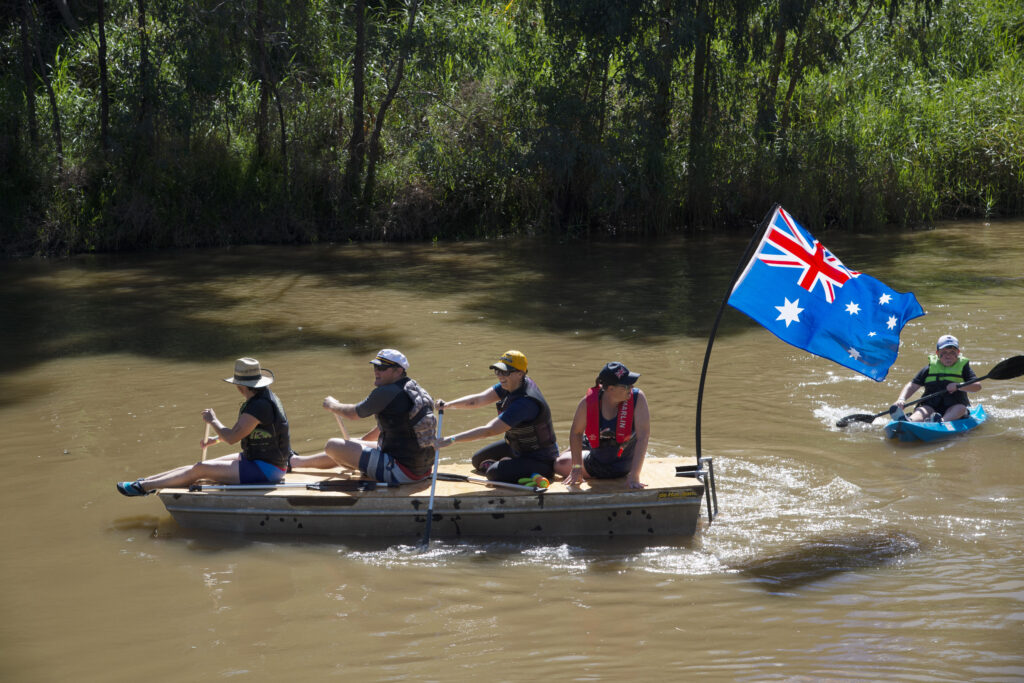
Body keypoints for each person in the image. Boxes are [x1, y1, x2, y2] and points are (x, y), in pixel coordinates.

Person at [116, 357, 292, 496]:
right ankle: (147, 482)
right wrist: (215, 440)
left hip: (268, 470)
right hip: (260, 461)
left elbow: (232, 438)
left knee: (200, 470)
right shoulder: (263, 398)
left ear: (240, 386)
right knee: (201, 465)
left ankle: (143, 487)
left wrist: (213, 420)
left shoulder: (259, 406)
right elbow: (244, 431)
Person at [289, 349, 437, 485]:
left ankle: (297, 462)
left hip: (401, 473)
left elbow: (354, 413)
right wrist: (360, 443)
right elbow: (394, 425)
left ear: (398, 371)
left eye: (382, 368)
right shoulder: (414, 388)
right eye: (375, 367)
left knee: (333, 445)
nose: (376, 371)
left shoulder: (386, 392)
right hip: (422, 470)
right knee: (352, 444)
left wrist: (332, 405)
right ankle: (295, 462)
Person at [435, 350, 558, 485]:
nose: (500, 376)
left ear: (520, 374)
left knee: (493, 473)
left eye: (505, 372)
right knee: (478, 460)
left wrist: (451, 440)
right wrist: (448, 405)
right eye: (498, 371)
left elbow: (489, 430)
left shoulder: (525, 403)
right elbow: (478, 400)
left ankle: (517, 467)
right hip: (517, 448)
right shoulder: (510, 385)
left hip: (540, 459)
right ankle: (509, 463)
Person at [553, 362, 651, 489]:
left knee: (558, 463)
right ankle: (584, 446)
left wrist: (634, 474)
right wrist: (576, 467)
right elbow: (576, 432)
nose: (632, 387)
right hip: (597, 456)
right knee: (559, 461)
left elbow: (643, 436)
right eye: (627, 385)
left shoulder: (638, 398)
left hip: (621, 464)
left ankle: (582, 447)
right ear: (610, 389)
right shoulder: (588, 402)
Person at [894, 334, 982, 422]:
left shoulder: (964, 368)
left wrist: (959, 386)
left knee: (960, 408)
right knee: (922, 410)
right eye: (944, 353)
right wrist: (901, 399)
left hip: (955, 406)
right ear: (937, 353)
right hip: (931, 406)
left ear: (958, 353)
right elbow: (912, 385)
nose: (948, 356)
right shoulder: (929, 369)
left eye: (952, 352)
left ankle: (941, 421)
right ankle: (910, 421)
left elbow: (977, 386)